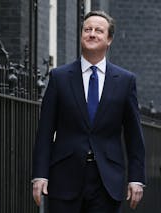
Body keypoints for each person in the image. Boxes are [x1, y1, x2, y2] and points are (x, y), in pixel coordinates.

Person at [32, 10, 145, 213]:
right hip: (65, 177)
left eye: (98, 31)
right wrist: (40, 175)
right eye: (87, 29)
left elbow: (134, 135)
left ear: (109, 39)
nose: (92, 34)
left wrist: (136, 178)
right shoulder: (59, 77)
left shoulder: (125, 81)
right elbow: (45, 131)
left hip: (107, 179)